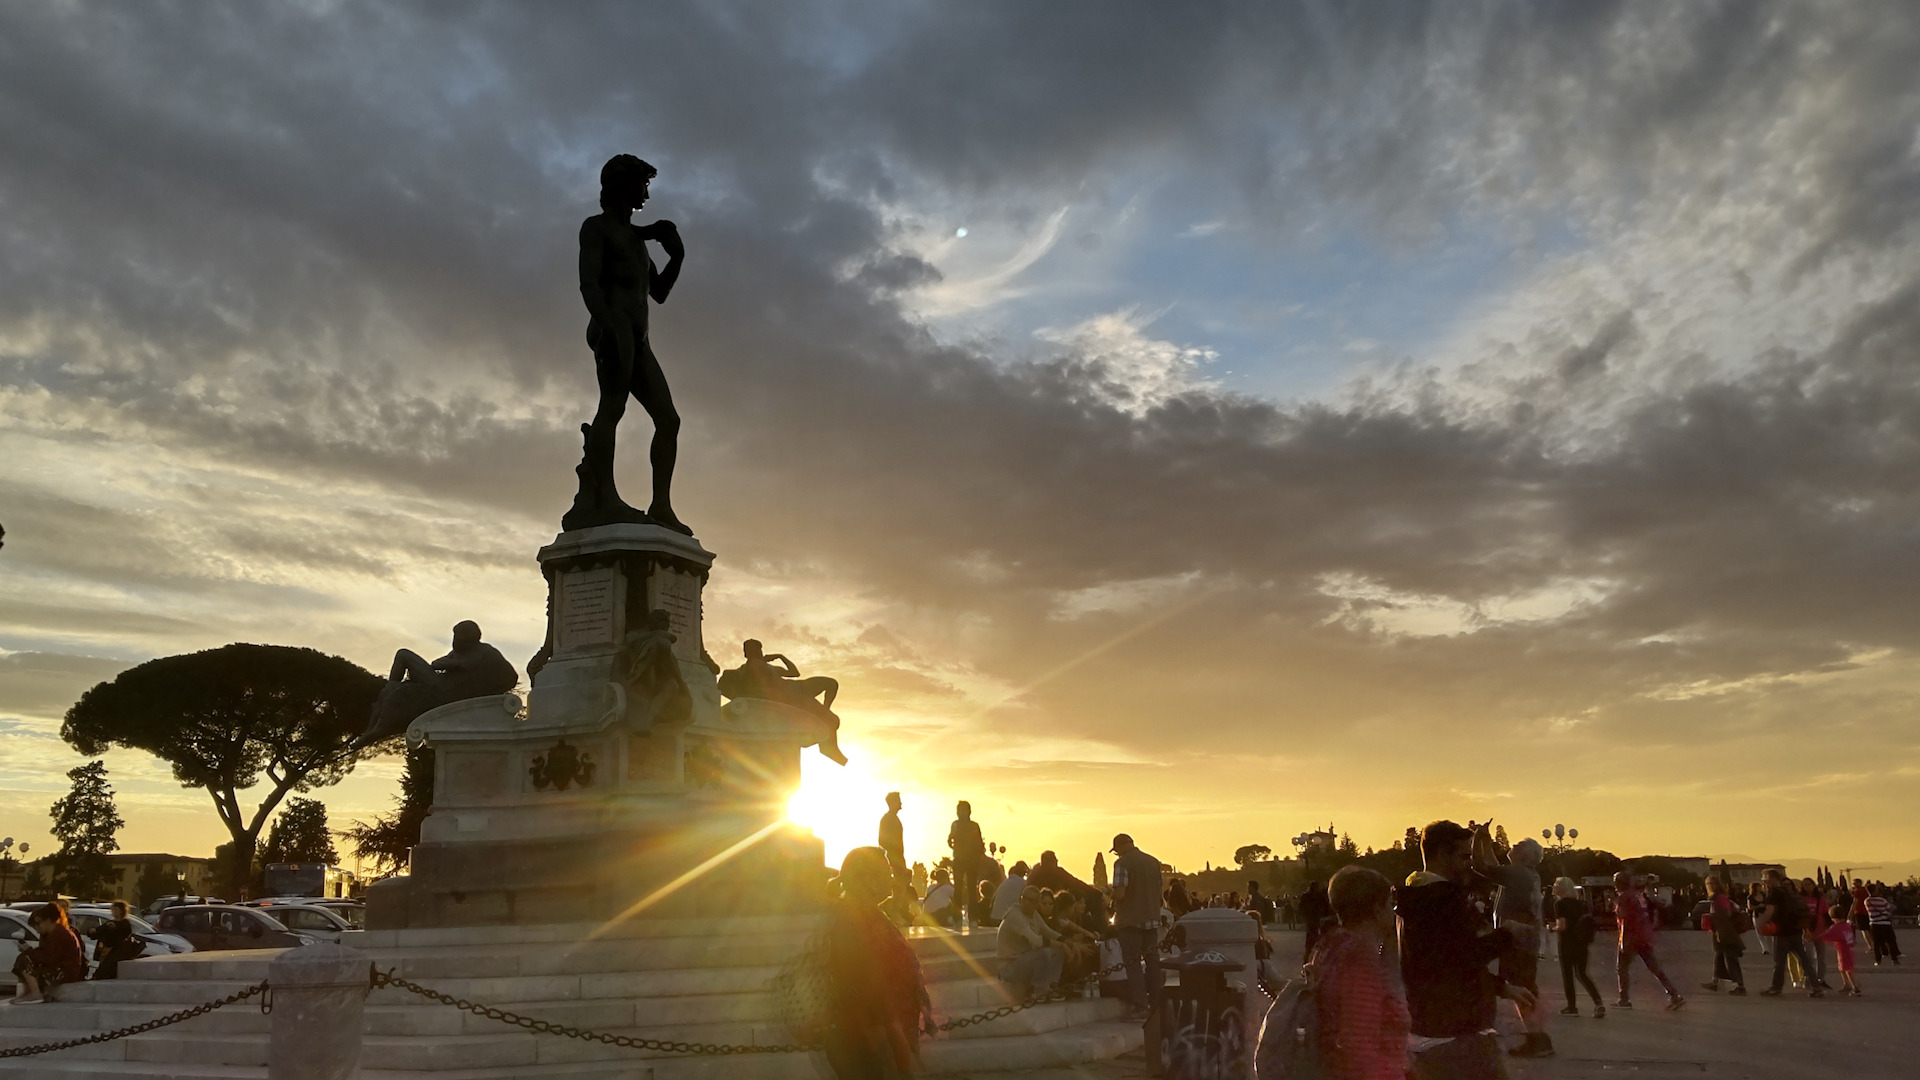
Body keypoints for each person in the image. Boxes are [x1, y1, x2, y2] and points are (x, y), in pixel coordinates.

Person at [569, 153, 689, 534]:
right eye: (643, 185)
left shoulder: (638, 242)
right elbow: (588, 284)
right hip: (613, 328)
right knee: (613, 407)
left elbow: (658, 293)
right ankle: (603, 498)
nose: (646, 195)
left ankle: (661, 507)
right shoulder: (597, 228)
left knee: (668, 419)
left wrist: (677, 256)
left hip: (638, 337)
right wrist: (608, 328)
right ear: (623, 185)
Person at [1397, 820, 1533, 1079]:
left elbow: (1441, 962)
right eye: (1464, 856)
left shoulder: (1414, 896)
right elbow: (1465, 957)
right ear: (1440, 854)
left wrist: (1502, 987)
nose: (1469, 863)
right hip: (1458, 1034)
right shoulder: (1443, 898)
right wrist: (1507, 934)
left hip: (1427, 1028)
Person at [821, 847, 935, 1080]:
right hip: (876, 1038)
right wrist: (893, 1044)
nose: (890, 880)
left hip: (890, 1032)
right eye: (885, 873)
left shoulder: (869, 915)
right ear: (865, 878)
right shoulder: (851, 921)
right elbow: (864, 989)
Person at [1311, 866, 1409, 1080]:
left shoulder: (1330, 947)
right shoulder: (1359, 957)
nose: (1394, 912)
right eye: (1390, 905)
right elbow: (1359, 1045)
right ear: (1377, 909)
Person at [359, 620, 520, 745]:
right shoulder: (458, 652)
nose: (455, 639)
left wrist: (477, 685)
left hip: (446, 691)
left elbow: (510, 678)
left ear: (469, 637)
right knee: (391, 688)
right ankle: (374, 727)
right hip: (439, 684)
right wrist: (450, 664)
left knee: (403, 654)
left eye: (458, 635)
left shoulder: (486, 652)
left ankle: (377, 726)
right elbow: (438, 663)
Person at [1479, 837, 1551, 1058]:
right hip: (1524, 943)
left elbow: (1482, 867)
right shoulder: (1523, 874)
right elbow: (1495, 868)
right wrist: (1486, 842)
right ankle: (1539, 1039)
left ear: (1526, 856)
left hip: (1517, 944)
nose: (1512, 847)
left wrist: (1479, 840)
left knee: (1520, 990)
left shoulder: (1518, 873)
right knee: (1524, 989)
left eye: (1518, 846)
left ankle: (1538, 1039)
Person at [1109, 832, 1164, 1021]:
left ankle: (1140, 1006)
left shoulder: (1122, 864)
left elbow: (1121, 893)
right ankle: (1157, 1003)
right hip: (1152, 919)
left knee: (1132, 964)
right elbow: (1159, 892)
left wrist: (1110, 896)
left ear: (1121, 847)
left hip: (1130, 921)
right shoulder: (1153, 862)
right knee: (1153, 962)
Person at [1612, 872, 1684, 1010]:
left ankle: (1624, 999)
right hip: (1642, 936)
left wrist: (1623, 941)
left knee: (1622, 968)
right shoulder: (1637, 896)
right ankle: (1674, 994)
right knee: (1654, 967)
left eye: (1616, 881)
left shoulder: (1624, 898)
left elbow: (1626, 920)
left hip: (1630, 938)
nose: (1614, 884)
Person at [1758, 868, 1821, 998]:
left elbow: (1770, 909)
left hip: (1782, 931)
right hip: (1795, 930)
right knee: (1804, 959)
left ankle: (1776, 987)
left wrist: (1761, 924)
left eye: (1764, 877)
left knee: (1779, 961)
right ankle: (1816, 986)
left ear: (1772, 878)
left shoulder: (1774, 892)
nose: (1763, 880)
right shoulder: (1787, 892)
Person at [995, 886, 1064, 998]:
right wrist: (1062, 944)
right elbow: (1036, 941)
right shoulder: (1014, 915)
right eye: (1025, 898)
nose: (1027, 902)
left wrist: (1067, 943)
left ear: (1037, 904)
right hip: (1009, 967)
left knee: (1059, 951)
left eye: (1031, 900)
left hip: (1024, 961)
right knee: (1042, 953)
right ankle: (1039, 991)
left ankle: (1051, 985)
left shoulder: (1034, 914)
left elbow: (1048, 932)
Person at [1551, 877, 1605, 1016]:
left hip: (1567, 943)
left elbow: (1562, 926)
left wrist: (1552, 928)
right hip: (1581, 942)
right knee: (1582, 974)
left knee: (1568, 975)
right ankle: (1598, 1002)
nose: (1554, 887)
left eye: (1556, 885)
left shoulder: (1559, 904)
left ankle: (1572, 1006)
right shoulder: (1580, 903)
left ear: (1562, 888)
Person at [10, 904, 85, 1003]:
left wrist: (29, 951)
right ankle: (32, 992)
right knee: (24, 958)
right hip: (59, 969)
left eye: (38, 924)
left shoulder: (59, 934)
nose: (36, 928)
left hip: (65, 972)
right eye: (34, 925)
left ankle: (35, 993)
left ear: (48, 920)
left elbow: (49, 958)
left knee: (24, 960)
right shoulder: (50, 934)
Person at [1698, 875, 1747, 996]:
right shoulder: (1714, 898)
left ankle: (1739, 986)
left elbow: (1727, 913)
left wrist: (1712, 916)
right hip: (1719, 931)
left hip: (1726, 932)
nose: (1710, 886)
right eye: (1708, 884)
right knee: (1719, 958)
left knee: (1730, 959)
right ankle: (1716, 982)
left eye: (1713, 883)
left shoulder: (1720, 897)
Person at [947, 802, 986, 930]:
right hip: (967, 860)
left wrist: (957, 848)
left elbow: (950, 840)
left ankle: (962, 918)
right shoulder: (971, 825)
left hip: (963, 859)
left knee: (963, 888)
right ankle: (970, 918)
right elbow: (981, 845)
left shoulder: (957, 825)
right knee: (967, 888)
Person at [87, 900, 142, 980]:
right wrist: (92, 931)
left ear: (122, 911)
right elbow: (98, 932)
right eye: (112, 909)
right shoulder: (110, 922)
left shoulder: (125, 924)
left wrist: (114, 928)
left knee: (108, 970)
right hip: (105, 951)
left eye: (116, 910)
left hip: (116, 953)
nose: (113, 912)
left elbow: (123, 936)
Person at [1820, 901, 1862, 996]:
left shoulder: (1836, 927)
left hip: (1843, 951)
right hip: (1849, 949)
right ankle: (1846, 984)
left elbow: (1827, 936)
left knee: (1847, 969)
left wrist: (1816, 938)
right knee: (1842, 968)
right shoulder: (1847, 925)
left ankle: (1855, 986)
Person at [1798, 877, 1832, 990]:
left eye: (1809, 884)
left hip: (1820, 930)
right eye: (1805, 885)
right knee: (1808, 957)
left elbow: (1827, 914)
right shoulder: (1801, 899)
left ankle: (1821, 979)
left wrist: (1829, 928)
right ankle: (1808, 978)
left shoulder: (1820, 899)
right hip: (1806, 930)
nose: (1807, 887)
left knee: (1821, 957)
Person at [1863, 883, 1902, 964]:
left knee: (1876, 943)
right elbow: (1890, 908)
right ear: (1875, 891)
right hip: (1885, 922)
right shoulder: (1882, 900)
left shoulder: (1867, 901)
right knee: (1890, 941)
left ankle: (1878, 960)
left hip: (1874, 923)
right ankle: (1894, 959)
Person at [1300, 879, 1333, 963]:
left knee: (1310, 945)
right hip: (1319, 921)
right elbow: (1326, 908)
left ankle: (1307, 963)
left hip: (1311, 921)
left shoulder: (1306, 897)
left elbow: (1301, 909)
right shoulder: (1320, 896)